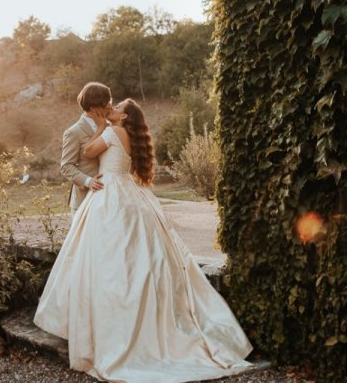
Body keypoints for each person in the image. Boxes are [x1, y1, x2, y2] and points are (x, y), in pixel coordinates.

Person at [34, 98, 254, 383]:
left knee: (108, 259)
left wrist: (101, 124)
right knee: (133, 257)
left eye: (116, 108)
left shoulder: (112, 132)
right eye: (109, 106)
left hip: (110, 195)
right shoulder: (130, 137)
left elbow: (88, 150)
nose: (111, 109)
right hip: (130, 194)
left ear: (124, 117)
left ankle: (115, 328)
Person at [60, 82, 112, 217]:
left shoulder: (111, 128)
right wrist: (89, 181)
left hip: (110, 198)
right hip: (84, 199)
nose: (110, 106)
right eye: (106, 102)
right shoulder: (73, 132)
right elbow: (66, 166)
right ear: (94, 108)